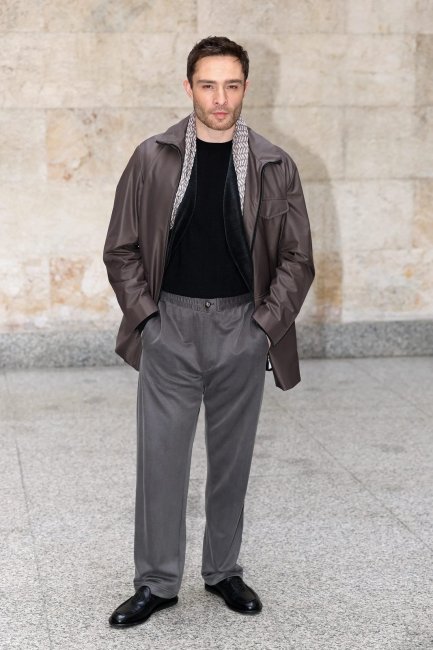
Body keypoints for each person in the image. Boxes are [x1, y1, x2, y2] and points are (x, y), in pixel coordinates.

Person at [103, 35, 315, 628]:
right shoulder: (152, 157)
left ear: (245, 87)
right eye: (208, 85)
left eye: (231, 85)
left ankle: (223, 571)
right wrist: (148, 320)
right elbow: (121, 248)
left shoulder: (275, 165)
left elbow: (298, 259)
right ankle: (156, 582)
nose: (220, 98)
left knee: (232, 461)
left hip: (241, 326)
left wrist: (263, 326)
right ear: (189, 87)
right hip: (169, 325)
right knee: (160, 462)